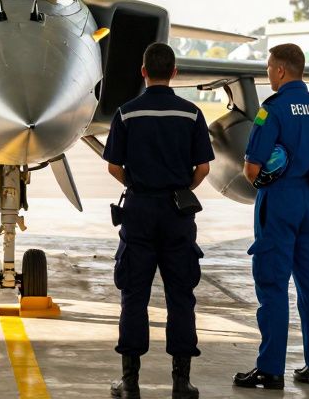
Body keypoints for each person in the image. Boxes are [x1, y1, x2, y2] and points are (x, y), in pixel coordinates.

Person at [233, 43, 309, 390]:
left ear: (281, 70)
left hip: (279, 201)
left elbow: (252, 169)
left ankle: (270, 369)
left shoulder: (272, 110)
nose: (267, 74)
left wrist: (268, 174)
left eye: (269, 69)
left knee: (273, 285)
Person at [104, 42, 213, 399]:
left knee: (133, 297)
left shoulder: (126, 113)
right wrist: (181, 188)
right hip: (177, 214)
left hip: (138, 213)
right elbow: (203, 168)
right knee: (181, 296)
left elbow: (114, 166)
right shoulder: (192, 114)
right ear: (175, 73)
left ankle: (130, 382)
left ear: (143, 72)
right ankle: (181, 383)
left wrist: (137, 186)